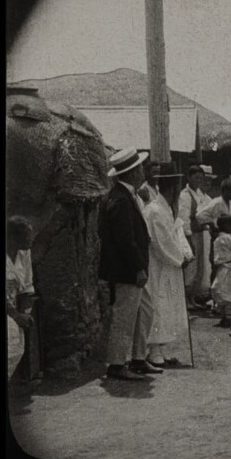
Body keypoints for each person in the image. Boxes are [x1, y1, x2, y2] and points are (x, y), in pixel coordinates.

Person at [99, 147, 160, 380]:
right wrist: (137, 268)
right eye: (140, 168)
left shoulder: (124, 196)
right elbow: (125, 240)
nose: (144, 171)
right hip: (127, 270)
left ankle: (137, 358)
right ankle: (116, 364)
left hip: (131, 268)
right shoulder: (120, 200)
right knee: (124, 316)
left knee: (144, 310)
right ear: (132, 172)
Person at [144, 167, 195, 366]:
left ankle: (161, 348)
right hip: (160, 265)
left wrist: (186, 254)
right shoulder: (155, 210)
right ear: (171, 189)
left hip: (170, 265)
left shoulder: (168, 209)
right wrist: (179, 258)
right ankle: (153, 350)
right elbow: (161, 242)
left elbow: (176, 234)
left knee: (168, 306)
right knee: (159, 304)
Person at [179, 165, 213, 310]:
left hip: (200, 234)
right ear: (189, 178)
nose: (198, 180)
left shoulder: (199, 194)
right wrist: (187, 238)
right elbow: (184, 219)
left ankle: (193, 297)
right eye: (195, 177)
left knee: (200, 266)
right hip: (190, 235)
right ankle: (185, 299)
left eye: (200, 178)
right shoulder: (185, 196)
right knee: (190, 268)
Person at [7, 216, 36, 381]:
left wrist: (25, 312)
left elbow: (26, 286)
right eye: (26, 236)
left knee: (17, 347)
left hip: (14, 308)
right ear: (13, 238)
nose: (30, 240)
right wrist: (16, 315)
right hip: (9, 310)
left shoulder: (24, 253)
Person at [211, 215, 231, 328]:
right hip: (227, 266)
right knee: (226, 291)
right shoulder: (226, 238)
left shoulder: (220, 238)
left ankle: (227, 316)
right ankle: (227, 317)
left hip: (226, 266)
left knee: (223, 291)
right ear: (226, 225)